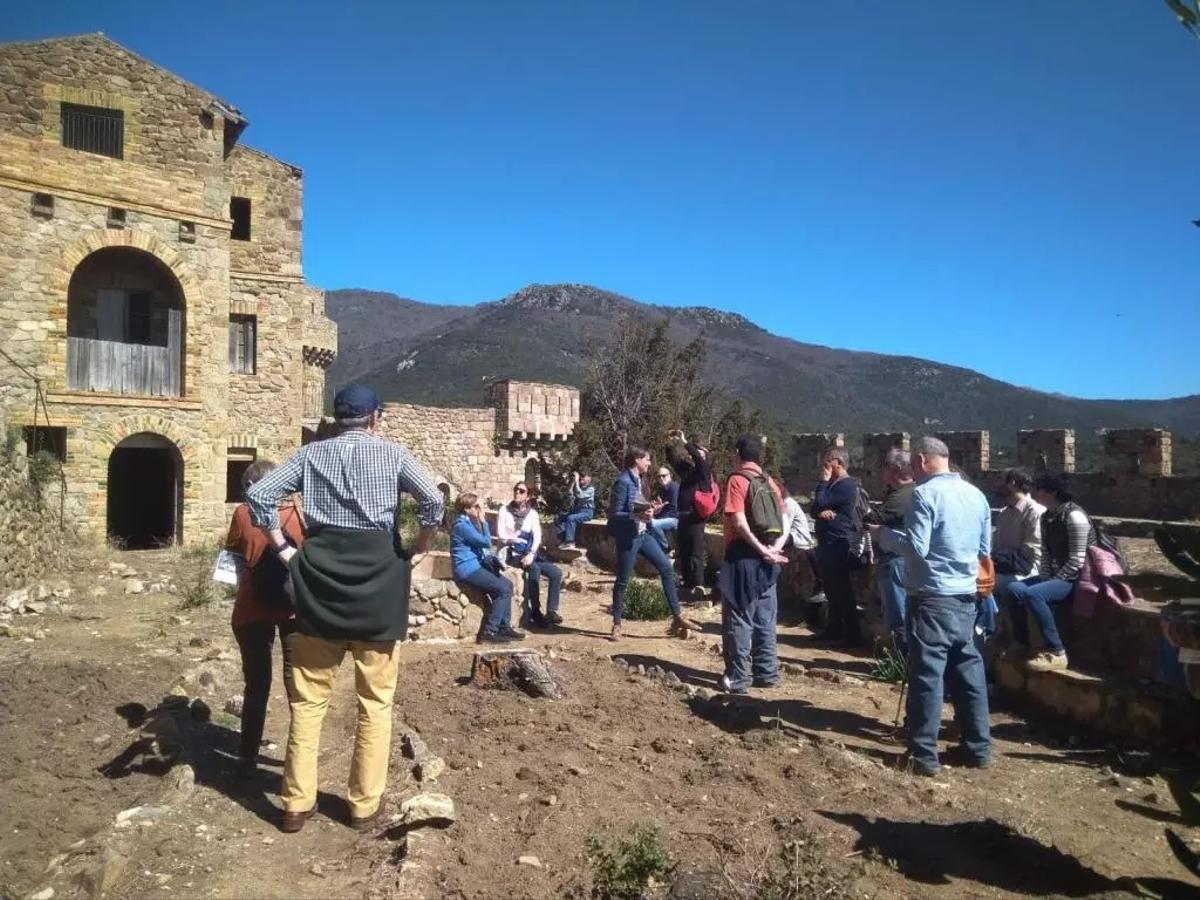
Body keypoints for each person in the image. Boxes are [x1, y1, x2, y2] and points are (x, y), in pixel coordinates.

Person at [247, 384, 444, 834]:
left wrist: (285, 551)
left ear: (337, 418)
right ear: (375, 418)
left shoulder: (311, 456)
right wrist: (420, 545)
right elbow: (433, 501)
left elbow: (260, 495)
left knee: (309, 701)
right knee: (375, 703)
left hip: (319, 582)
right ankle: (361, 807)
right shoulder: (394, 456)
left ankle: (295, 804)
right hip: (379, 583)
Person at [874, 436, 992, 777]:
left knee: (927, 673)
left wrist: (884, 536)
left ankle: (923, 754)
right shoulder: (976, 495)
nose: (913, 470)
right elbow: (984, 549)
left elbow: (917, 548)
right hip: (966, 595)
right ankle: (978, 748)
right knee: (969, 671)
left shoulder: (925, 495)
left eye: (914, 464)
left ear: (924, 460)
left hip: (931, 595)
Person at [224, 459, 304, 780]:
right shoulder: (296, 513)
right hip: (293, 607)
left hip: (251, 608)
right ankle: (299, 758)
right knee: (297, 685)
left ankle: (246, 758)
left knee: (256, 685)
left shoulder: (243, 514)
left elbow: (230, 561)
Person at [718, 435, 789, 693]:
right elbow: (784, 519)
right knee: (765, 619)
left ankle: (738, 678)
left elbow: (738, 521)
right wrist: (774, 549)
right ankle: (767, 672)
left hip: (742, 557)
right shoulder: (770, 482)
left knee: (738, 618)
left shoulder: (738, 480)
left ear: (738, 454)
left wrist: (759, 549)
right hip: (769, 560)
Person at [1005, 471, 1095, 671]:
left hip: (1077, 579)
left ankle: (1057, 651)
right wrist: (1046, 578)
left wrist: (1051, 582)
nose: (1036, 493)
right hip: (1057, 576)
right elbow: (1045, 554)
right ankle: (1022, 643)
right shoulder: (1047, 517)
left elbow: (1077, 561)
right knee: (1013, 589)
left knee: (1033, 594)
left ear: (1053, 492)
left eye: (1040, 489)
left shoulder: (1075, 517)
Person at [607, 445, 690, 642]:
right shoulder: (623, 482)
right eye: (647, 459)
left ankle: (677, 617)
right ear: (637, 459)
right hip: (629, 538)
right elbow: (614, 514)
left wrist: (653, 508)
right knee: (623, 580)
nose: (649, 463)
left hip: (643, 534)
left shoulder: (640, 480)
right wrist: (638, 514)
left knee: (666, 569)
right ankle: (617, 624)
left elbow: (639, 507)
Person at [452, 492, 525, 644]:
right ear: (466, 509)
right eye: (477, 506)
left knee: (508, 585)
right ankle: (489, 632)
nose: (480, 509)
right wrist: (484, 521)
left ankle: (504, 627)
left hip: (475, 566)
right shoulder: (461, 526)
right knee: (502, 590)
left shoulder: (468, 523)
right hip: (467, 569)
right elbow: (486, 542)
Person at [810, 447, 862, 646]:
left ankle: (852, 634)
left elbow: (821, 500)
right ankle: (833, 628)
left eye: (827, 462)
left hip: (838, 541)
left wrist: (823, 483)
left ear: (837, 463)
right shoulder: (832, 485)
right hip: (826, 540)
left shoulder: (847, 485)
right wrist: (820, 512)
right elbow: (815, 507)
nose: (824, 467)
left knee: (842, 588)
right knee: (830, 587)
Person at [497, 481, 564, 629]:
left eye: (521, 491)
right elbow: (501, 535)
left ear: (528, 496)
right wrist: (515, 539)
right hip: (512, 552)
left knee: (556, 572)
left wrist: (532, 553)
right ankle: (535, 610)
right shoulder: (504, 511)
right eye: (516, 490)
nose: (517, 493)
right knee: (534, 570)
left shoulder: (532, 514)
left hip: (529, 553)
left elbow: (537, 534)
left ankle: (552, 611)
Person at [876, 449, 915, 651]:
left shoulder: (903, 495)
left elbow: (875, 519)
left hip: (895, 561)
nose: (881, 469)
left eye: (885, 465)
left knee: (898, 615)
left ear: (896, 469)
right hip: (897, 560)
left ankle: (904, 664)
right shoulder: (900, 493)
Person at [667, 431, 714, 598]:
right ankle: (687, 583)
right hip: (683, 516)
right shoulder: (689, 472)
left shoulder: (704, 472)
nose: (697, 454)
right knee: (684, 551)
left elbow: (699, 460)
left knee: (696, 552)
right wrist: (670, 444)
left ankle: (699, 584)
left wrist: (685, 442)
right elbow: (674, 461)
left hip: (696, 518)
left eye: (700, 452)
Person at [555, 471, 595, 549]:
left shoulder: (591, 489)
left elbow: (581, 495)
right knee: (558, 518)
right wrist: (572, 482)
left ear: (589, 479)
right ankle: (564, 540)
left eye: (584, 476)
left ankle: (570, 542)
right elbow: (569, 493)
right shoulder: (578, 487)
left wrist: (576, 481)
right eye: (581, 476)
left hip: (587, 512)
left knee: (571, 518)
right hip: (577, 511)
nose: (581, 478)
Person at [649, 466, 680, 551]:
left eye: (664, 475)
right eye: (659, 476)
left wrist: (659, 515)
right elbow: (663, 506)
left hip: (675, 519)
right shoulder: (662, 489)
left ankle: (665, 547)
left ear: (670, 475)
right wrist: (655, 509)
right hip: (667, 517)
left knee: (652, 524)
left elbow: (674, 509)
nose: (661, 478)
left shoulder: (674, 487)